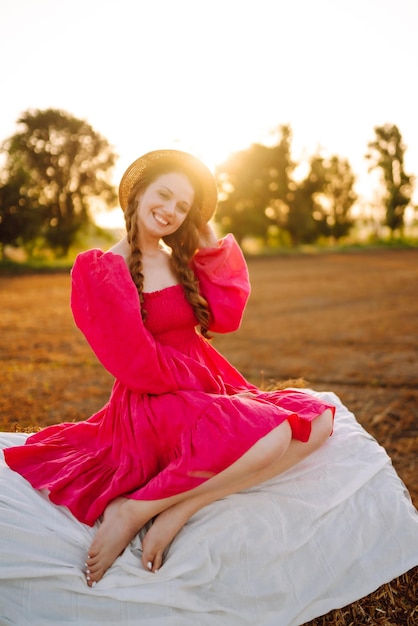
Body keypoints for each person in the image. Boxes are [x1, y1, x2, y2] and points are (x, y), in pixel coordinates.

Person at [4, 149, 335, 588]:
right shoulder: (103, 269)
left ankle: (175, 507)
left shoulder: (181, 258)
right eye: (164, 195)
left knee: (320, 422)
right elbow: (135, 364)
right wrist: (197, 383)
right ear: (138, 192)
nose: (171, 211)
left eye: (184, 206)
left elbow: (226, 318)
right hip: (155, 397)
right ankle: (134, 509)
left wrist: (209, 238)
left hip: (202, 383)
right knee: (275, 435)